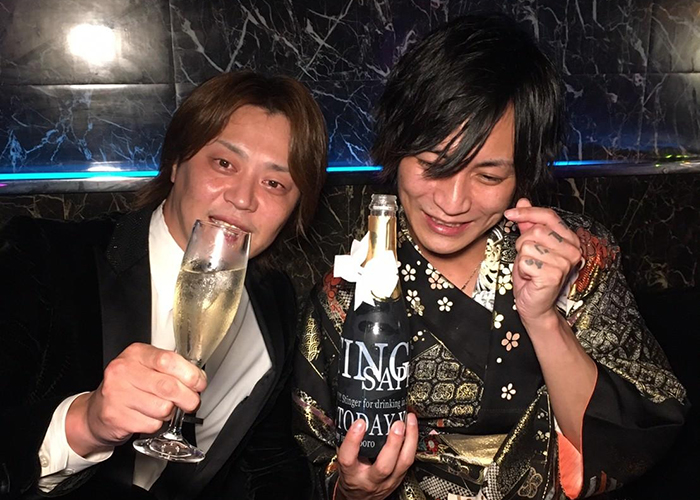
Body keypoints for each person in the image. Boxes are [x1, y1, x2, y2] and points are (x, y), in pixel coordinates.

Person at [292, 14, 688, 500]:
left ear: (523, 175)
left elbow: (629, 441)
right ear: (396, 151)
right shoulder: (349, 293)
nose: (452, 202)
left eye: (488, 176)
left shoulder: (576, 258)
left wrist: (544, 318)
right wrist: (356, 490)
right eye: (433, 165)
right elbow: (318, 461)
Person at [0, 70, 327, 499]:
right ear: (175, 162)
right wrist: (84, 424)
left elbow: (266, 464)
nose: (243, 198)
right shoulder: (44, 257)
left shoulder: (275, 300)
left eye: (274, 183)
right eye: (224, 163)